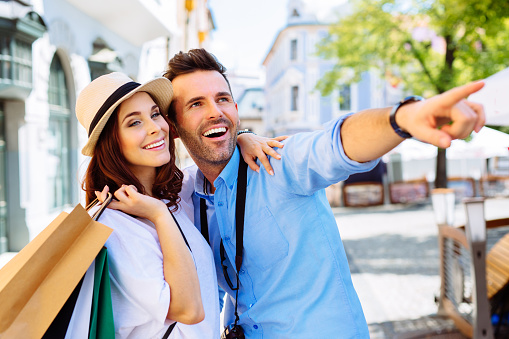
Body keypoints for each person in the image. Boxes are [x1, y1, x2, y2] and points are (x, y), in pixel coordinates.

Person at [163, 48, 485, 338]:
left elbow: (337, 143)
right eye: (196, 104)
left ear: (235, 108)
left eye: (222, 99)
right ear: (174, 126)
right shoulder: (188, 194)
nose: (214, 112)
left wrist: (403, 119)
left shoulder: (278, 161)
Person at [77, 72, 283, 338]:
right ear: (111, 143)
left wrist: (243, 137)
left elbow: (215, 163)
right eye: (134, 122)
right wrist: (158, 216)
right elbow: (188, 311)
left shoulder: (175, 195)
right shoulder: (115, 226)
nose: (154, 128)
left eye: (154, 114)